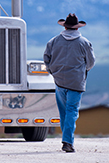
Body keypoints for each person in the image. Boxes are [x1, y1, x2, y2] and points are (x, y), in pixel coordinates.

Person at [43, 13, 95, 153]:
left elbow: (46, 58)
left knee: (64, 113)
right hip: (76, 83)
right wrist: (82, 71)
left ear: (65, 26)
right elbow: (91, 62)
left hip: (59, 81)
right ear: (77, 28)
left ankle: (67, 140)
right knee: (72, 111)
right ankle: (67, 142)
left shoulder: (53, 41)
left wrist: (52, 71)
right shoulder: (84, 42)